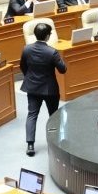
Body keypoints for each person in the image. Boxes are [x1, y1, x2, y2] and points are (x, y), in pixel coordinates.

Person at [20, 22, 64, 157]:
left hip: (32, 87)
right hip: (50, 89)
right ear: (47, 36)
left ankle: (30, 145)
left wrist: (31, 77)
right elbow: (63, 69)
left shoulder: (26, 49)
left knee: (32, 115)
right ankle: (55, 143)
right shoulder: (52, 52)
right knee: (53, 116)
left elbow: (23, 67)